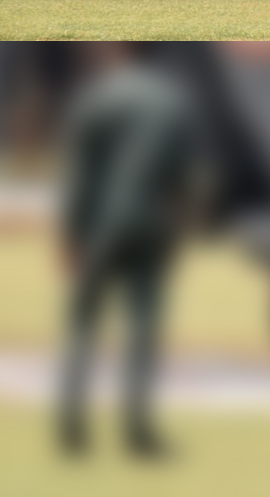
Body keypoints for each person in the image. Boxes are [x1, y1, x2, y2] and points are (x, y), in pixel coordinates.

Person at [56, 44, 203, 456]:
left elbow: (80, 177)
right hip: (153, 223)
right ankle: (138, 430)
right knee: (143, 326)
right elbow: (189, 179)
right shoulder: (173, 102)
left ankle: (72, 426)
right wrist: (178, 234)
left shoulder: (95, 98)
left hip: (101, 223)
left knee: (83, 322)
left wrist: (69, 235)